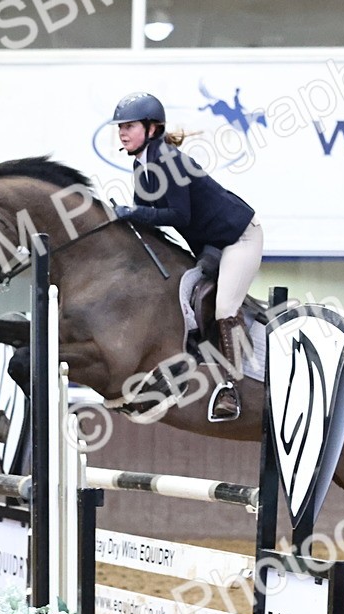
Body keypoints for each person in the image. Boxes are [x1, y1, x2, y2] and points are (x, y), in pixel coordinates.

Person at [109, 91, 263, 422]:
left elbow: (178, 215)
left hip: (239, 237)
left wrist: (131, 213)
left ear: (152, 129)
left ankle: (230, 389)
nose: (122, 132)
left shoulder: (170, 161)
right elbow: (147, 221)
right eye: (120, 127)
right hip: (209, 244)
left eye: (129, 126)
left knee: (224, 307)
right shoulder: (141, 165)